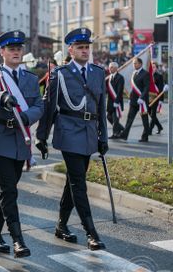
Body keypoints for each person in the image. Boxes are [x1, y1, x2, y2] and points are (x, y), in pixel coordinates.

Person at [36, 27, 108, 251]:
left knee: (73, 182)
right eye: (80, 47)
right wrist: (41, 137)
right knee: (79, 182)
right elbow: (48, 108)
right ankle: (91, 232)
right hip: (68, 131)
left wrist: (103, 136)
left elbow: (101, 107)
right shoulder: (61, 74)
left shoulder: (97, 72)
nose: (85, 51)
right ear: (71, 49)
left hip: (88, 132)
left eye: (87, 47)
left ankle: (61, 225)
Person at [0, 30, 43, 258]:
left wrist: (27, 117)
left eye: (19, 49)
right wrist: (2, 97)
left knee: (6, 190)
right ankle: (18, 239)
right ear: (2, 52)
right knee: (9, 189)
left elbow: (38, 104)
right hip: (0, 137)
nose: (16, 52)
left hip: (21, 138)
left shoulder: (30, 78)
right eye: (11, 49)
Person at [118, 57, 150, 142]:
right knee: (129, 118)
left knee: (145, 120)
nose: (134, 65)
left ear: (140, 64)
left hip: (142, 101)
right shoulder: (134, 73)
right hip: (134, 101)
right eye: (133, 63)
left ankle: (145, 136)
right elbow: (133, 88)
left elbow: (146, 88)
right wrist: (130, 98)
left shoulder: (145, 74)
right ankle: (124, 135)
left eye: (135, 63)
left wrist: (142, 98)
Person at [106, 62, 124, 138]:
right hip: (110, 102)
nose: (110, 69)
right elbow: (106, 90)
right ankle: (122, 129)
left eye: (112, 67)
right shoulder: (108, 78)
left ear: (116, 68)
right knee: (108, 117)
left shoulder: (120, 77)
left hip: (117, 102)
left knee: (115, 118)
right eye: (109, 67)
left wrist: (117, 101)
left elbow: (120, 91)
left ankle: (115, 133)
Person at [148, 62, 165, 135]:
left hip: (156, 97)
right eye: (152, 67)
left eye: (154, 67)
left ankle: (150, 130)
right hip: (148, 97)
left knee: (153, 114)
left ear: (156, 68)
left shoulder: (159, 76)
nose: (153, 68)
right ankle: (159, 126)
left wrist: (161, 99)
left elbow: (161, 88)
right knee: (150, 114)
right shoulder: (147, 75)